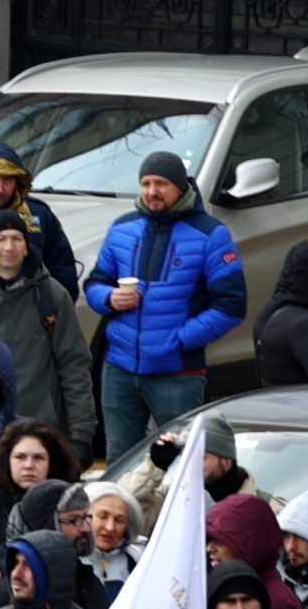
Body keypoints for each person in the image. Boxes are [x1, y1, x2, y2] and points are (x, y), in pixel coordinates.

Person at [88, 150, 244, 455]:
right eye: (145, 183)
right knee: (120, 459)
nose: (151, 191)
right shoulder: (122, 228)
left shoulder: (211, 234)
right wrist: (109, 298)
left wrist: (180, 340)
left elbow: (231, 305)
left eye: (160, 183)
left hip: (177, 373)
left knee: (181, 461)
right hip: (119, 367)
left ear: (180, 186)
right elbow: (95, 283)